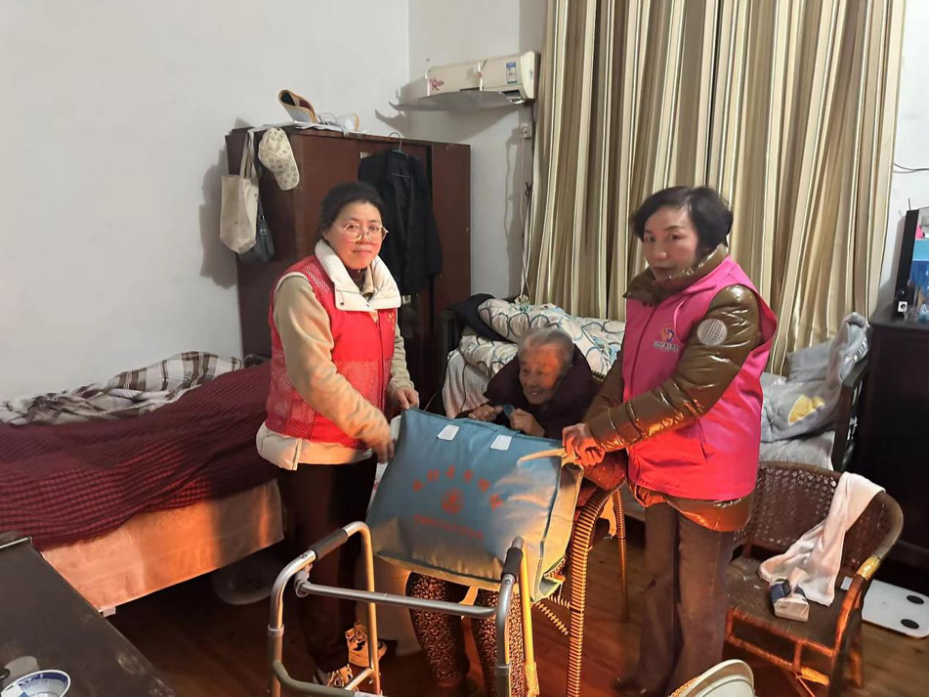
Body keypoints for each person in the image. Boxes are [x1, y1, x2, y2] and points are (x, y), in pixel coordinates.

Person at [562, 187, 777, 696]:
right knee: (659, 580)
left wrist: (601, 432)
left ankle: (690, 689)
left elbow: (686, 396)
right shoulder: (649, 292)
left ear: (707, 238)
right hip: (656, 461)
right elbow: (625, 370)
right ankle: (653, 675)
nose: (657, 251)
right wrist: (593, 426)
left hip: (709, 473)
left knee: (699, 600)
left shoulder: (731, 301)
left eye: (674, 237)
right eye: (649, 237)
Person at [256, 181, 419, 688]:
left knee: (351, 549)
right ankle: (328, 662)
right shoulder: (301, 286)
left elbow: (391, 344)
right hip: (312, 448)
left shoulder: (380, 282)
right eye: (352, 226)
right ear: (327, 229)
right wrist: (376, 426)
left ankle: (347, 632)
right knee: (321, 563)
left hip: (356, 447)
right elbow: (315, 378)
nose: (365, 237)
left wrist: (399, 384)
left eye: (374, 228)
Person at [408, 326, 623, 697]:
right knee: (422, 587)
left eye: (543, 372)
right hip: (485, 517)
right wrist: (474, 420)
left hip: (549, 530)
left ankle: (511, 694)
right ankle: (451, 683)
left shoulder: (592, 409)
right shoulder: (508, 397)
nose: (530, 380)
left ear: (565, 372)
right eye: (525, 369)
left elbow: (613, 474)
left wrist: (542, 433)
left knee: (496, 606)